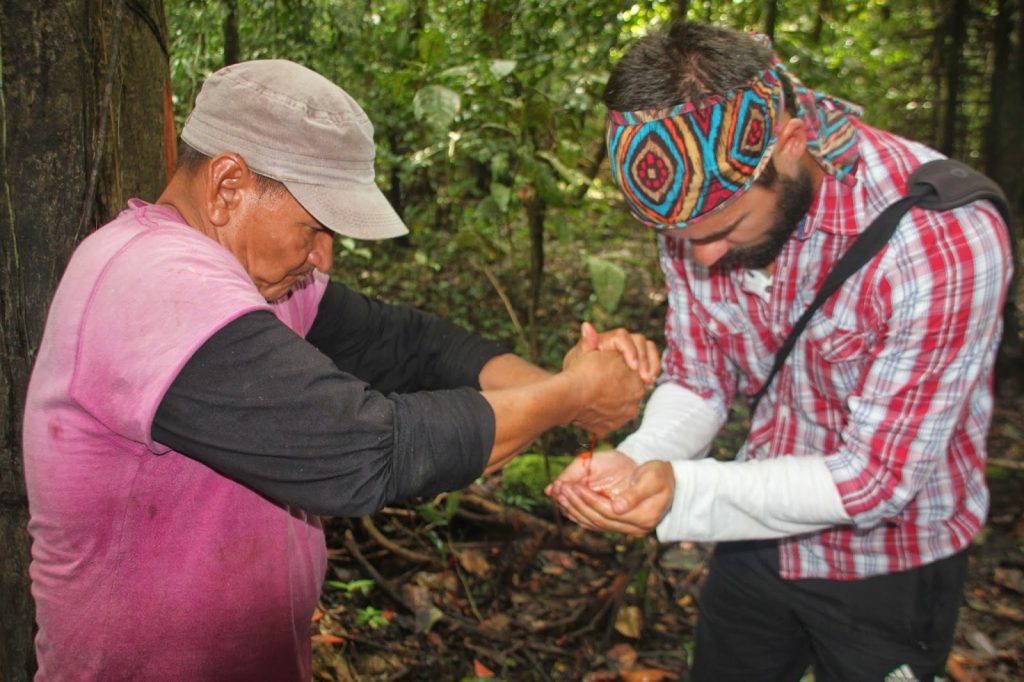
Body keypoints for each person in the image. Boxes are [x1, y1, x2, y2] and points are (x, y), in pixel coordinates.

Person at [22, 59, 659, 681]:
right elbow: (360, 451)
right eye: (314, 227)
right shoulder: (153, 280)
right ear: (227, 188)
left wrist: (566, 383)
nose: (324, 255)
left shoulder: (264, 283)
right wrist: (574, 395)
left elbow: (409, 345)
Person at [548, 22, 1012, 681]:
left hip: (889, 566)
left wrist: (681, 490)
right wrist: (634, 462)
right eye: (678, 237)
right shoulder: (695, 203)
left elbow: (876, 479)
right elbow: (701, 378)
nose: (701, 255)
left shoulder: (940, 238)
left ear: (790, 145)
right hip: (754, 532)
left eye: (727, 228)